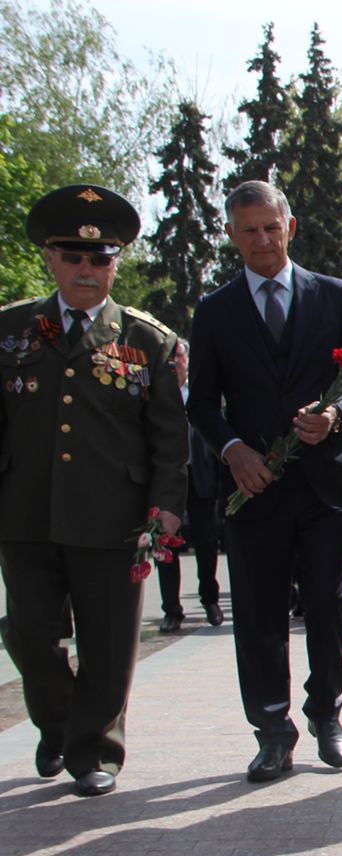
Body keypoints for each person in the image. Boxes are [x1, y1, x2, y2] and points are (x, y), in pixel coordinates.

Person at [0, 184, 188, 797]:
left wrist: (165, 507)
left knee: (108, 641)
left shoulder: (147, 342)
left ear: (116, 263)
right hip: (24, 510)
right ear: (50, 260)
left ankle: (93, 752)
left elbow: (167, 436)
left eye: (102, 258)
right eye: (74, 256)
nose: (88, 269)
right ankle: (58, 725)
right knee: (29, 633)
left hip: (114, 515)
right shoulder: (10, 332)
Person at [188, 180, 342, 782]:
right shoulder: (214, 312)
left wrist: (335, 416)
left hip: (325, 486)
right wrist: (233, 449)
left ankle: (326, 712)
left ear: (290, 228)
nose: (262, 240)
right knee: (260, 615)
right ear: (233, 235)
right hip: (254, 490)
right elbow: (203, 404)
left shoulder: (332, 295)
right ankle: (272, 731)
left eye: (271, 227)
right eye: (249, 230)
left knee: (329, 605)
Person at [155, 340, 226, 633]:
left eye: (179, 357)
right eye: (169, 359)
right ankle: (172, 610)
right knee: (165, 545)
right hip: (168, 482)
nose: (175, 364)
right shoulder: (156, 397)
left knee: (207, 544)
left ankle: (210, 599)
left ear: (188, 360)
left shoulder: (201, 397)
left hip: (201, 479)